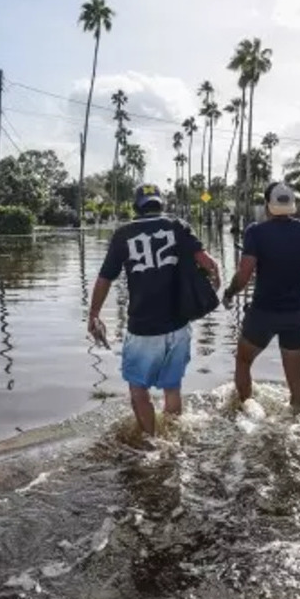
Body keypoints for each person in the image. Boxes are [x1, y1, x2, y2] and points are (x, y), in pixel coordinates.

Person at [88, 184, 221, 436]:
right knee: (172, 389)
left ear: (136, 206)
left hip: (143, 328)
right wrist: (216, 285)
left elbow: (105, 278)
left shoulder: (123, 234)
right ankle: (173, 438)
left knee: (139, 390)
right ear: (161, 204)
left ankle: (151, 444)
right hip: (179, 325)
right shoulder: (177, 226)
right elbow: (210, 264)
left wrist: (94, 314)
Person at [222, 181, 300, 410]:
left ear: (267, 205)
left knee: (243, 361)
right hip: (296, 314)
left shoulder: (256, 232)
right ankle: (297, 415)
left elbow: (244, 276)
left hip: (263, 313)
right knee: (296, 383)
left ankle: (247, 412)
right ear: (292, 205)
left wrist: (228, 293)